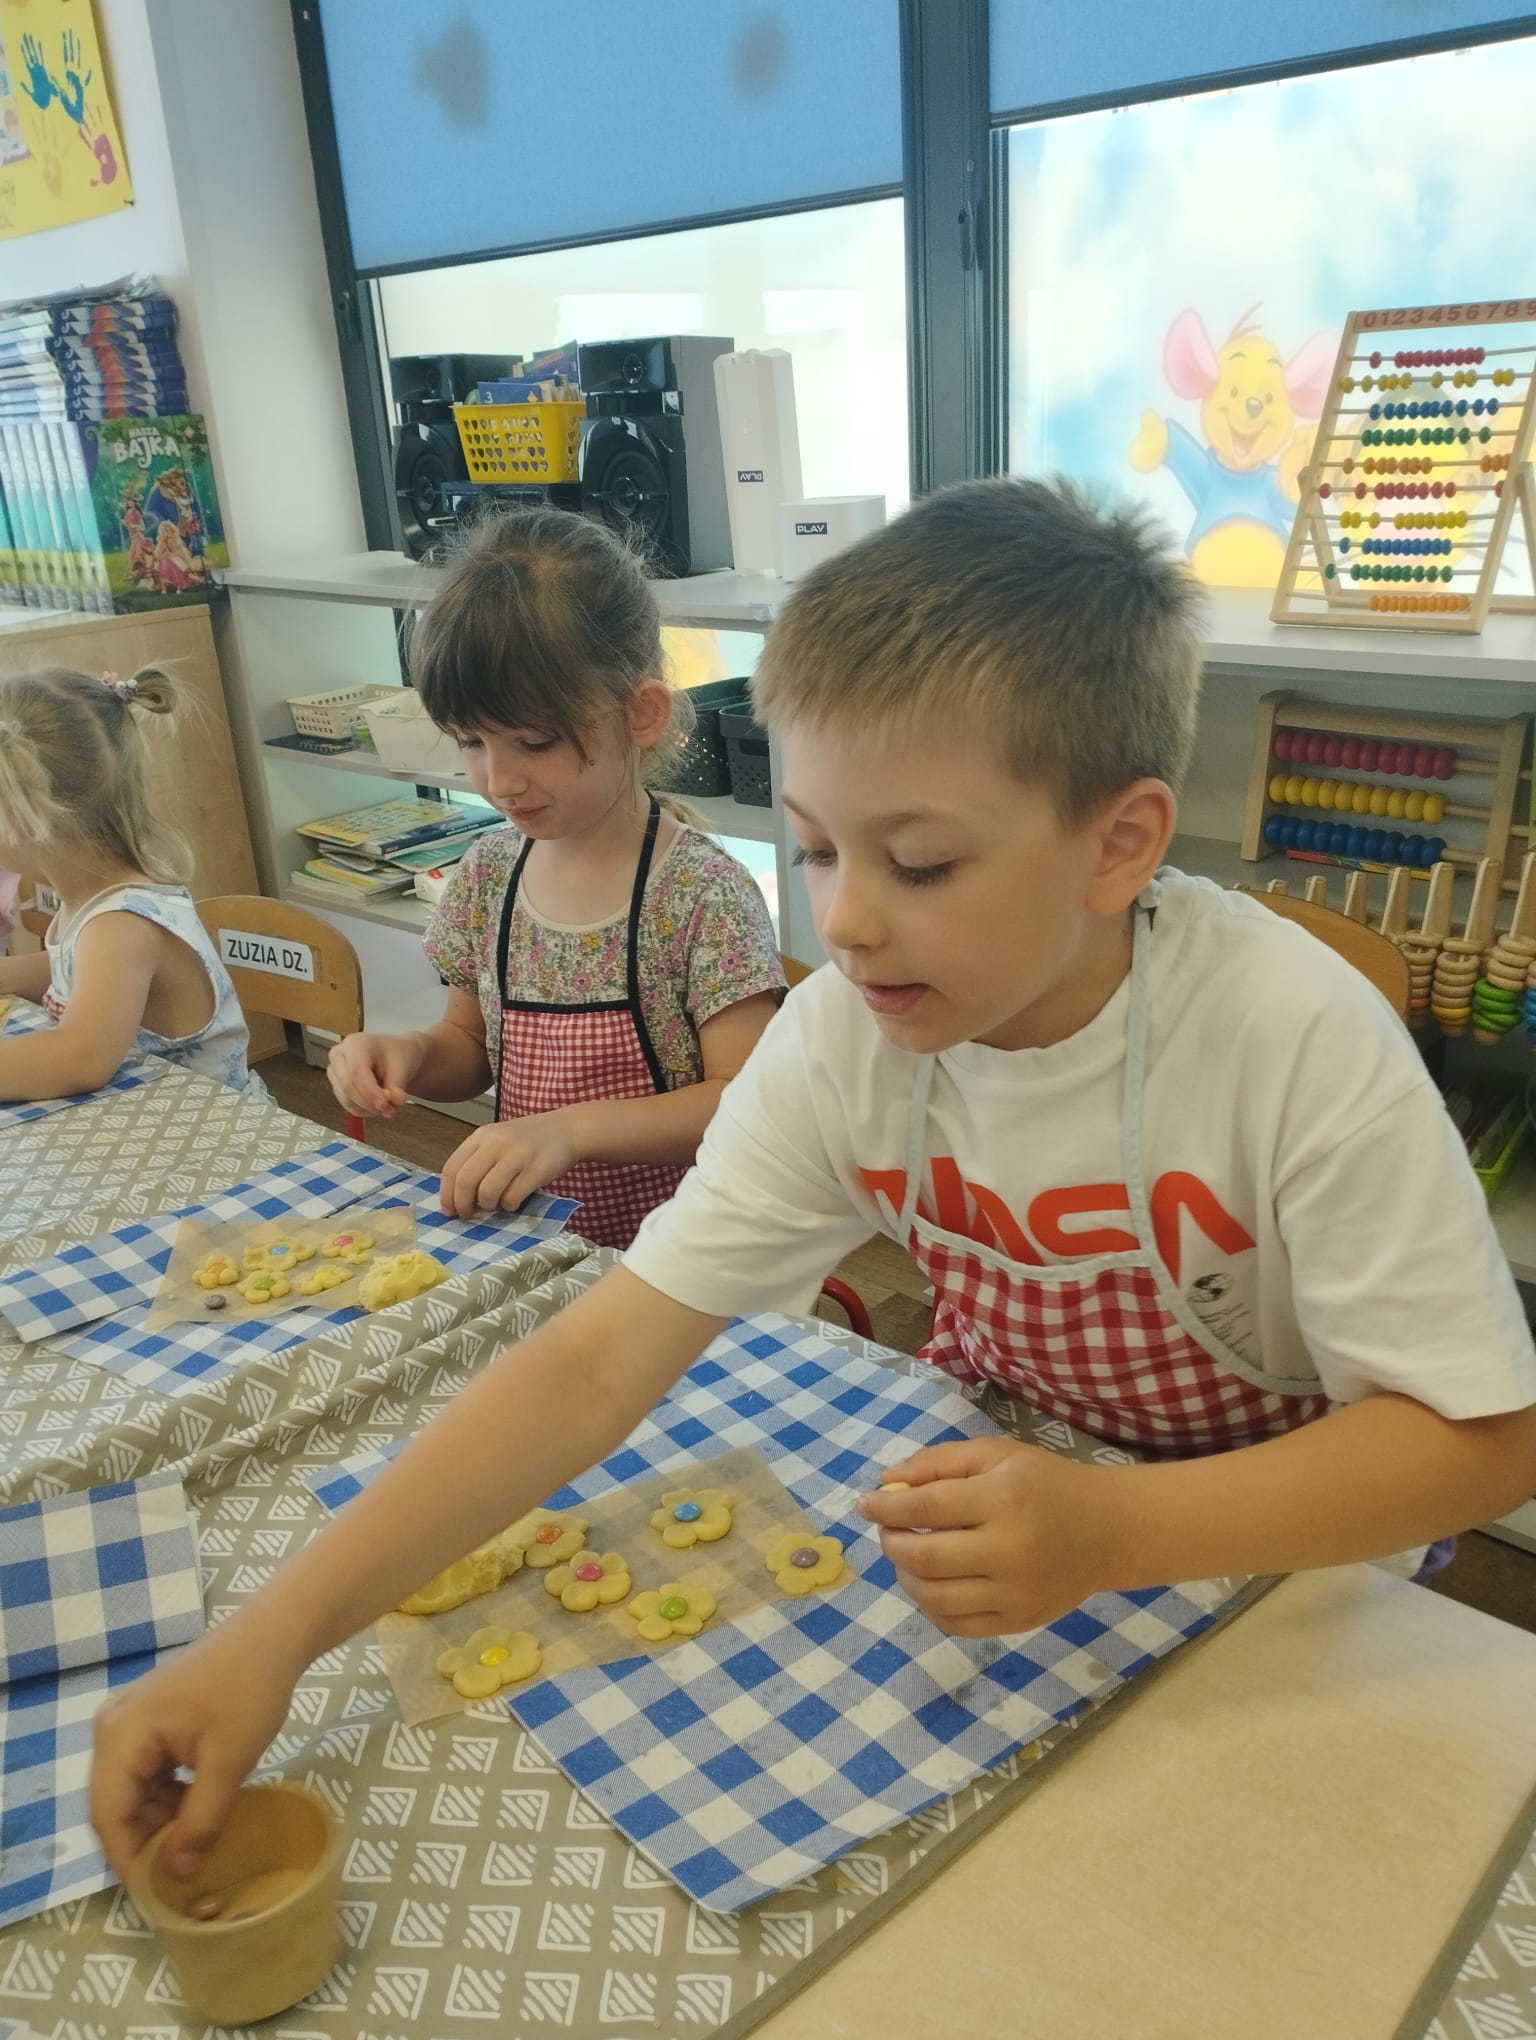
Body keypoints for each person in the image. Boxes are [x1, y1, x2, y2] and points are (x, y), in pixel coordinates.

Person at [90, 478, 1536, 1884]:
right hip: (1009, 1489)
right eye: (818, 848)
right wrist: (270, 1637)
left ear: (1119, 845)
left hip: (1287, 1538)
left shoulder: (1288, 1037)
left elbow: (1479, 1442)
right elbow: (594, 1364)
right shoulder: (849, 1039)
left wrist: (1119, 1530)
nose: (841, 924)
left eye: (920, 864)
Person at [325, 508, 783, 1248]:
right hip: (534, 1243)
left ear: (641, 714)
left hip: (681, 1256)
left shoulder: (703, 895)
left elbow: (740, 1103)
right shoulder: (488, 875)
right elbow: (469, 1046)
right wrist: (408, 1055)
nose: (499, 780)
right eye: (471, 742)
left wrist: (572, 1131)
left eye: (534, 742)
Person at [0, 664, 256, 1099]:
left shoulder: (120, 924)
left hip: (210, 1131)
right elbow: (80, 971)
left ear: (26, 821)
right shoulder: (91, 892)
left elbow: (77, 1058)